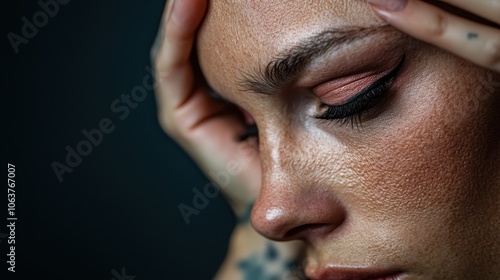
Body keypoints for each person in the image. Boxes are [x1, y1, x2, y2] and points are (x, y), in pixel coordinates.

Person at [152, 0, 500, 279]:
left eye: (348, 98)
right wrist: (259, 259)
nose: (269, 217)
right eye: (251, 131)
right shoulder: (269, 232)